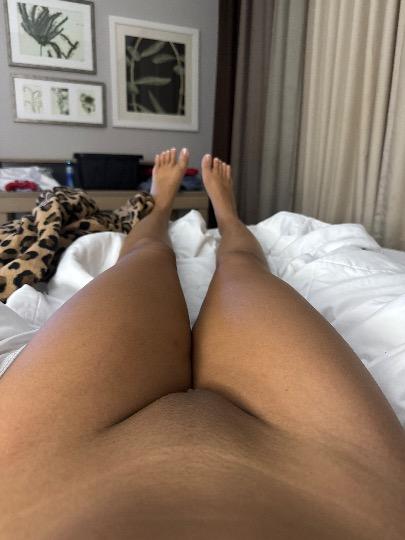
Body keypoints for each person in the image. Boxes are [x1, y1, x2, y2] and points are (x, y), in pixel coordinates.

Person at [0, 148, 404, 540]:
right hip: (346, 479)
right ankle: (177, 206)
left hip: (36, 471)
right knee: (241, 265)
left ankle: (210, 212)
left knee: (147, 255)